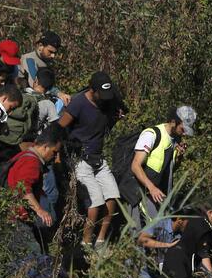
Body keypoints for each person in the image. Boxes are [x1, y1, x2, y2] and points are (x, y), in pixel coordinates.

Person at [57, 71, 126, 252]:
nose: (104, 99)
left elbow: (106, 122)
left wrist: (116, 117)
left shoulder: (108, 102)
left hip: (98, 158)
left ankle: (101, 240)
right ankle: (86, 243)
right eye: (100, 96)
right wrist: (58, 154)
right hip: (80, 158)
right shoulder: (79, 103)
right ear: (92, 90)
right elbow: (60, 127)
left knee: (113, 196)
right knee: (95, 202)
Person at [127, 106, 197, 228]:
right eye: (183, 128)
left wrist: (179, 157)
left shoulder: (176, 139)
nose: (185, 132)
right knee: (145, 233)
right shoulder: (152, 135)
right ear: (174, 122)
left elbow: (169, 170)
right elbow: (135, 165)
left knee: (158, 232)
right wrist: (152, 188)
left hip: (159, 195)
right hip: (141, 193)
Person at [7, 124, 64, 258]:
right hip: (17, 219)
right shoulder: (32, 162)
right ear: (45, 147)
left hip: (13, 216)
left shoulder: (25, 154)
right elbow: (23, 188)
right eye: (54, 152)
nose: (55, 157)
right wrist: (39, 210)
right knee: (32, 260)